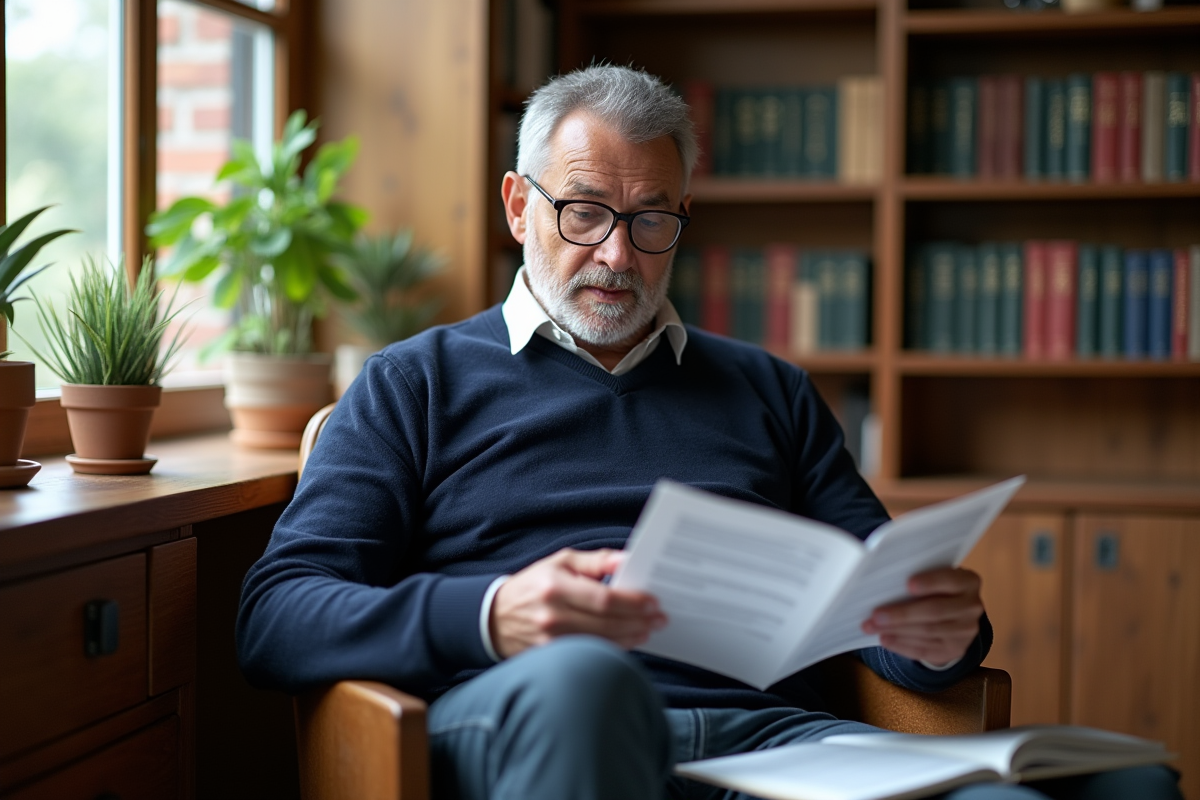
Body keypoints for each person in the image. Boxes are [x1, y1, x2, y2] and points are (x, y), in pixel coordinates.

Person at [237, 65, 1180, 800]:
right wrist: (489, 616)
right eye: (584, 211)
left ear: (683, 219)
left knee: (1120, 780)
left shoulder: (769, 390)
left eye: (653, 220)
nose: (617, 253)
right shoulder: (415, 383)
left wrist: (935, 638)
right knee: (583, 683)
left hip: (771, 745)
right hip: (539, 717)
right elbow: (276, 614)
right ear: (519, 206)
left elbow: (876, 607)